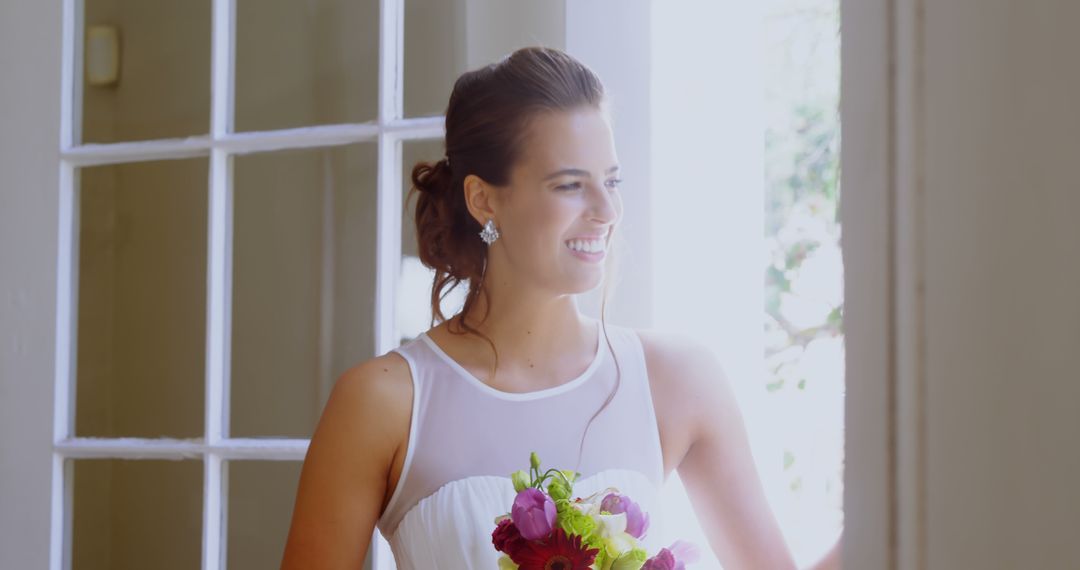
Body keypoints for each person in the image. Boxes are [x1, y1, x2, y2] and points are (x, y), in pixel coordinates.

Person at [280, 46, 842, 570]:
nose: (605, 210)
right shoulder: (383, 402)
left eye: (612, 180)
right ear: (483, 199)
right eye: (570, 185)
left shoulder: (675, 379)